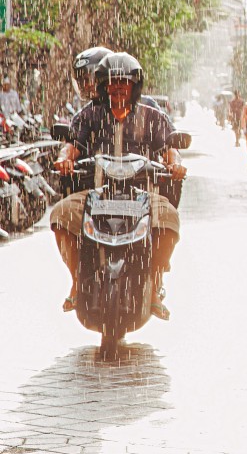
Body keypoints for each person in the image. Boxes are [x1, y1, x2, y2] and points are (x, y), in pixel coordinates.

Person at [51, 53, 186, 320]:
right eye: (112, 82)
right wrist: (64, 160)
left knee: (169, 219)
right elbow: (71, 145)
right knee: (60, 215)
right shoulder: (89, 114)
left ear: (135, 85)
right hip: (95, 193)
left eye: (125, 82)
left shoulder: (152, 116)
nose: (119, 87)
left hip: (143, 195)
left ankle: (155, 285)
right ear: (103, 85)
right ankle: (78, 282)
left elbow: (170, 149)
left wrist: (175, 165)